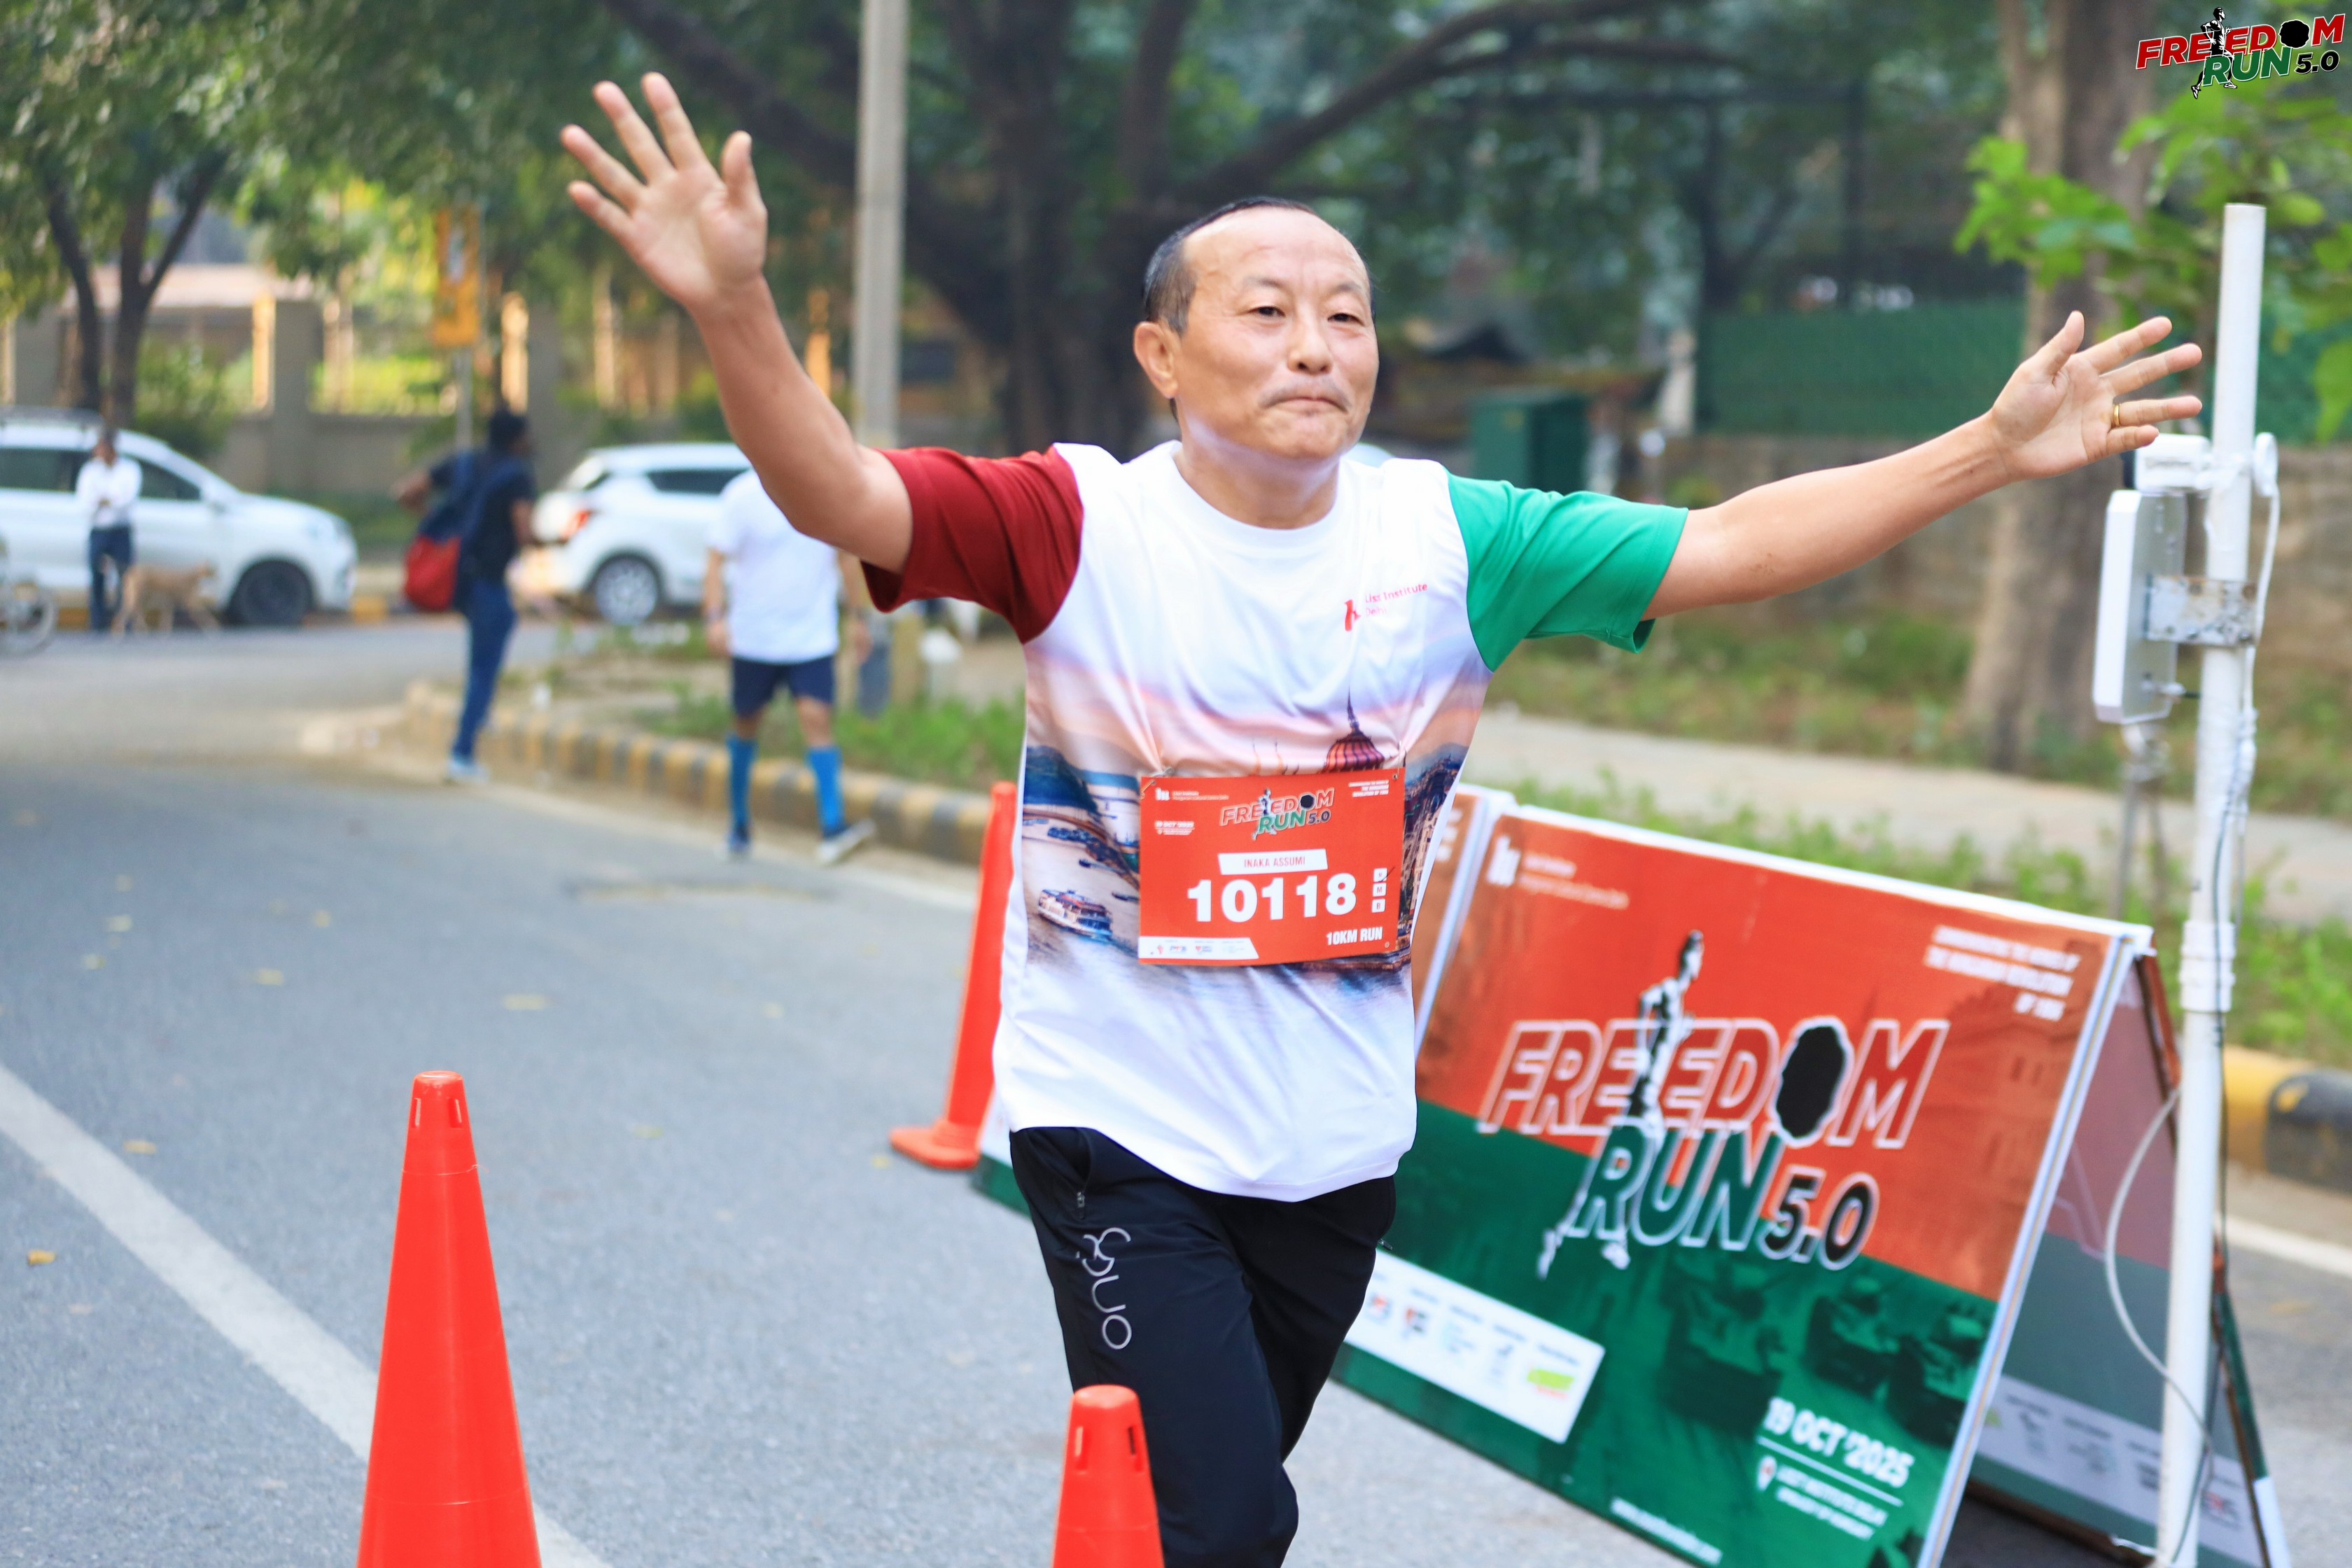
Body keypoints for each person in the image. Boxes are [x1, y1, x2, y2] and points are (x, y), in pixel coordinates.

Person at [563, 75, 2202, 1568]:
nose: (1316, 347)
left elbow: (1727, 546)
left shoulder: (1451, 537)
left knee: (1178, 1521)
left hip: (1335, 1152)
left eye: (1345, 316)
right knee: (1227, 1522)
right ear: (1164, 357)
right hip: (1116, 1133)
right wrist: (736, 307)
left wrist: (1990, 451)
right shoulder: (1076, 523)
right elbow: (843, 494)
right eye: (1267, 311)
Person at [704, 468, 875, 862]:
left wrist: (858, 617)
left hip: (811, 637)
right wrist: (715, 618)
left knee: (817, 719)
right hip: (754, 637)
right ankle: (739, 825)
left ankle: (833, 827)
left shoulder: (821, 489)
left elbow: (846, 558)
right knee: (745, 723)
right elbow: (715, 559)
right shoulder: (741, 495)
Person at [398, 409, 537, 784]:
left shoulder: (463, 464)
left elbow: (406, 492)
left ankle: (480, 716)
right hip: (488, 579)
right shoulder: (518, 476)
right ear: (517, 439)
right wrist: (556, 542)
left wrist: (435, 522)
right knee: (484, 667)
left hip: (457, 578)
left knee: (484, 651)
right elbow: (524, 533)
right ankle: (463, 752)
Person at [75, 426, 140, 636]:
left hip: (121, 530)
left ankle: (123, 621)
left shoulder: (128, 469)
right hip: (99, 530)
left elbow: (126, 499)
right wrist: (106, 500)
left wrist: (106, 499)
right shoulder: (90, 471)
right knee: (97, 575)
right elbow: (86, 502)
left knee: (124, 576)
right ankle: (98, 622)